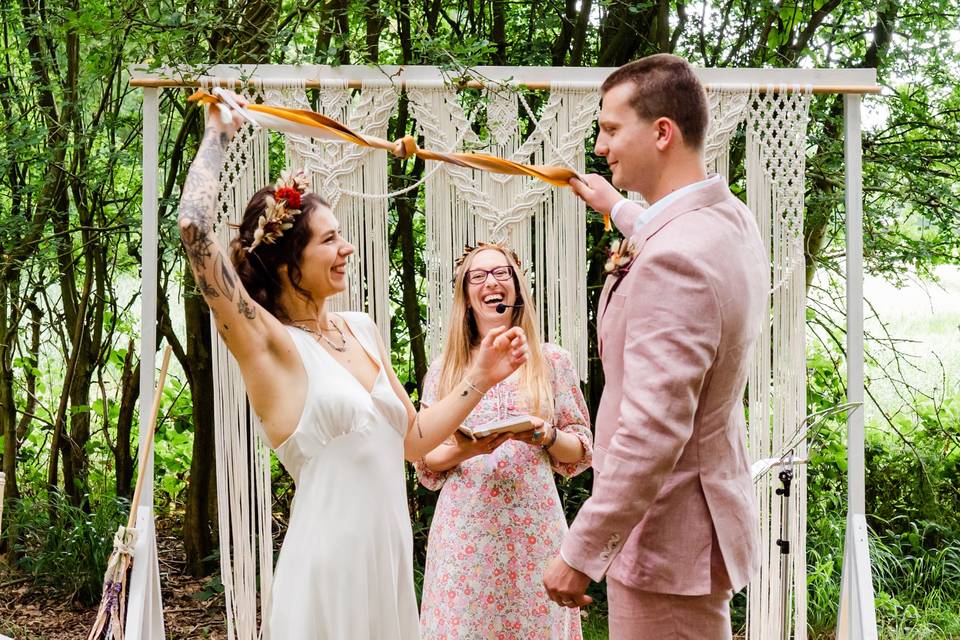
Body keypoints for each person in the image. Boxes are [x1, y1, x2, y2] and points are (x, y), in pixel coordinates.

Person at [177, 96, 529, 639]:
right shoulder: (267, 343)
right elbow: (194, 231)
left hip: (387, 567)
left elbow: (413, 440)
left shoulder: (360, 327)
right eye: (329, 240)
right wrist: (219, 134)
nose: (346, 249)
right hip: (328, 571)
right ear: (287, 259)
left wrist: (480, 377)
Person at [542, 54, 769, 640]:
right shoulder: (729, 219)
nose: (600, 145)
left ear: (662, 132)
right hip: (694, 522)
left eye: (611, 128)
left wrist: (581, 550)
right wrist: (617, 209)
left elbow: (652, 430)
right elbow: (673, 232)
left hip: (667, 536)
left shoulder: (674, 261)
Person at [414, 243, 593, 640]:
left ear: (516, 288)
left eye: (501, 273)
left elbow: (581, 448)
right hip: (466, 530)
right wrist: (466, 448)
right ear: (466, 295)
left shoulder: (552, 361)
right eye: (478, 276)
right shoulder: (446, 369)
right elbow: (426, 457)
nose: (491, 282)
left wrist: (544, 435)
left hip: (534, 525)